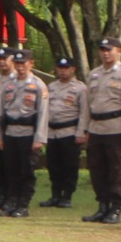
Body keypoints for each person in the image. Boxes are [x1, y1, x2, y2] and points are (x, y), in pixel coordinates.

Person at [82, 37, 121, 224]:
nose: (105, 53)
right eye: (103, 50)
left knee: (116, 169)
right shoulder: (94, 74)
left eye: (109, 49)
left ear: (118, 51)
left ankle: (115, 208)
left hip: (116, 127)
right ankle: (102, 206)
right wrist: (85, 128)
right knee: (97, 168)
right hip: (96, 127)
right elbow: (88, 104)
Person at [0, 48, 49, 216]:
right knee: (11, 169)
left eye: (23, 63)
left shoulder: (38, 85)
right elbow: (1, 113)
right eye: (17, 63)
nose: (19, 66)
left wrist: (39, 138)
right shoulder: (9, 85)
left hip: (28, 133)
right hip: (10, 133)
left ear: (31, 63)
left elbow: (43, 113)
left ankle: (23, 205)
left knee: (26, 171)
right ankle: (11, 202)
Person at [41, 57, 87, 208]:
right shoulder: (51, 87)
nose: (63, 70)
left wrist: (81, 132)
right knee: (53, 165)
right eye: (60, 67)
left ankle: (67, 196)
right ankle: (55, 195)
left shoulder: (80, 88)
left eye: (66, 68)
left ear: (73, 69)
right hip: (52, 132)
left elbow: (84, 112)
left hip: (69, 132)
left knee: (69, 166)